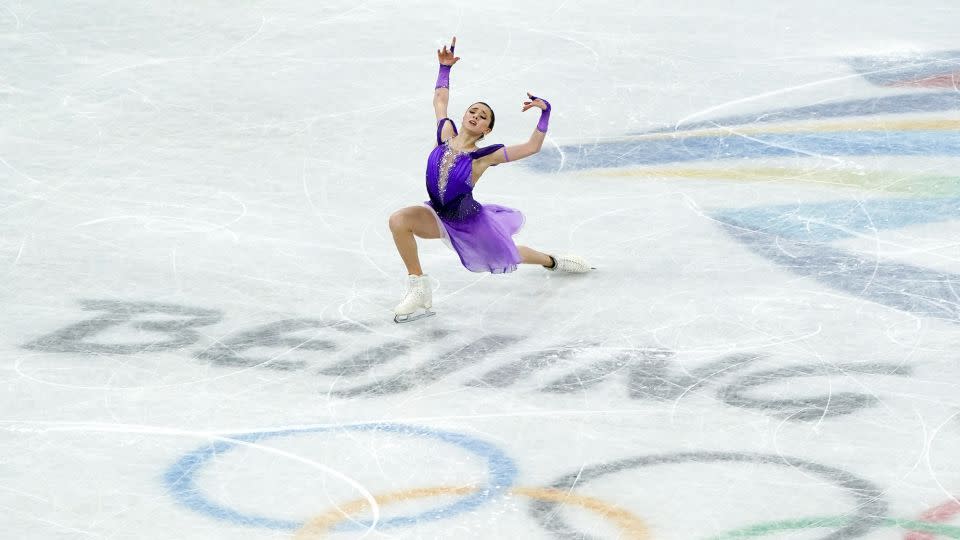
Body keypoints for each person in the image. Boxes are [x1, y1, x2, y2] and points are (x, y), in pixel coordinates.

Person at [388, 36, 592, 323]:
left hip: (470, 223)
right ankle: (418, 286)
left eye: (483, 116)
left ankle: (553, 261)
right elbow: (439, 100)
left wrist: (545, 113)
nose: (475, 116)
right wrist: (444, 69)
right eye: (473, 111)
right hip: (437, 213)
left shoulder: (483, 157)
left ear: (487, 129)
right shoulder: (445, 134)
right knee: (399, 221)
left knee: (509, 255)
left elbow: (531, 148)